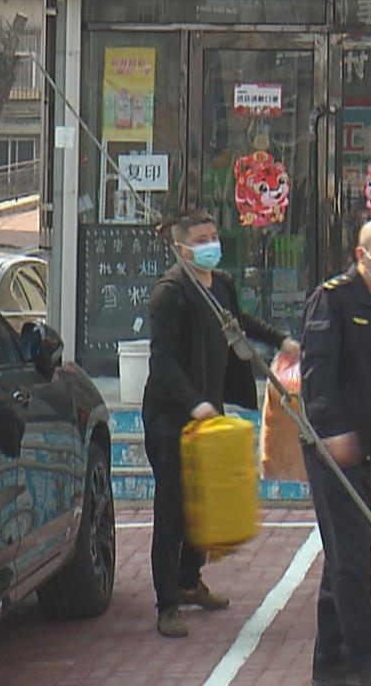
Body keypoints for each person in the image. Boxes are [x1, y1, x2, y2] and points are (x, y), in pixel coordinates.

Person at [141, 210, 299, 639]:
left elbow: (240, 322)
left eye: (213, 236)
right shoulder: (170, 294)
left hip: (210, 412)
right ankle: (167, 603)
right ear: (181, 248)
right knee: (173, 508)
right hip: (172, 416)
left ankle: (190, 581)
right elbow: (162, 361)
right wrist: (193, 403)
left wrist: (281, 340)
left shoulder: (221, 284)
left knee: (204, 500)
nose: (211, 244)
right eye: (201, 239)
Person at [301, 218, 371, 686]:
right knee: (352, 558)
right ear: (360, 254)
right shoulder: (333, 299)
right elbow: (316, 377)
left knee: (343, 556)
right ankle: (367, 662)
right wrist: (333, 432)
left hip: (370, 448)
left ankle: (329, 664)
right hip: (334, 450)